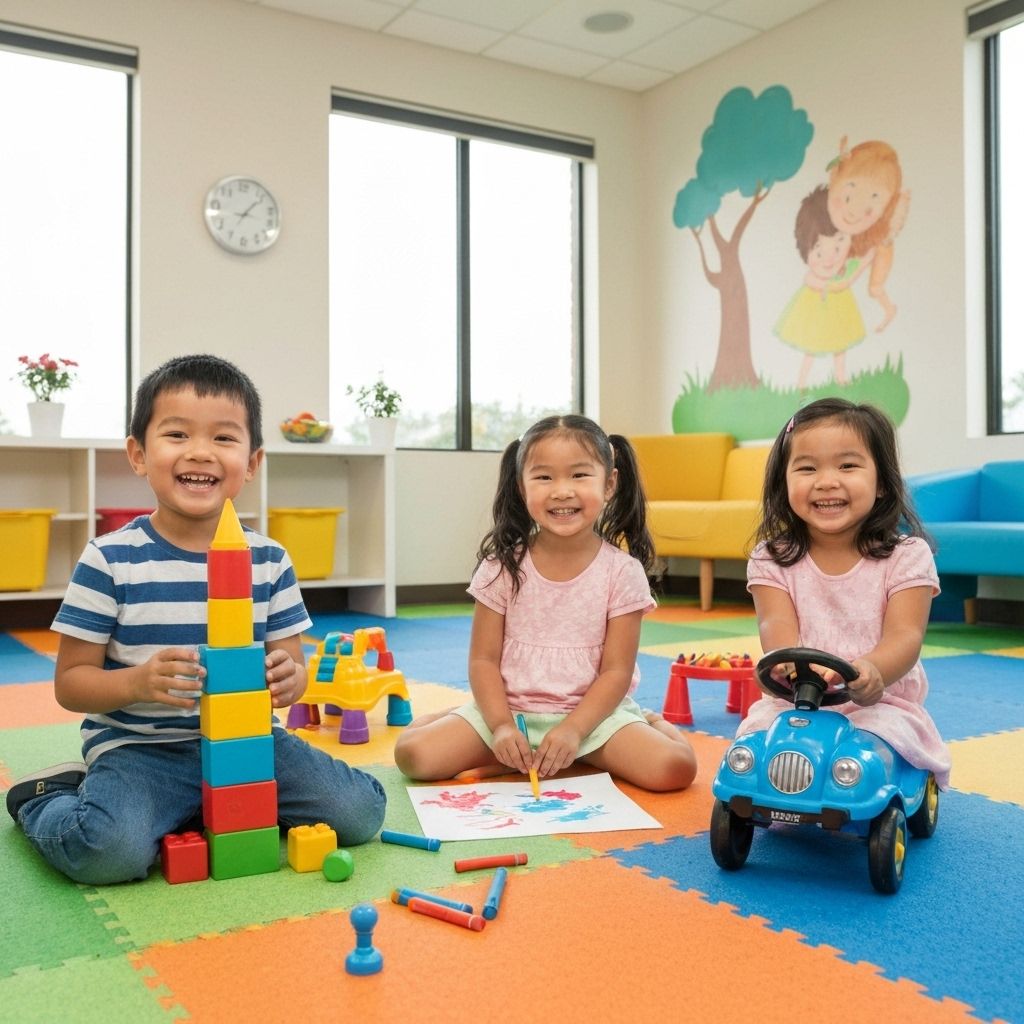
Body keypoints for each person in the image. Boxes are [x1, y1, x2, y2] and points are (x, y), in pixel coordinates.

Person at [5, 354, 386, 884]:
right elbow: (70, 685)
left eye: (224, 439)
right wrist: (137, 681)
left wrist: (289, 679)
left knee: (359, 814)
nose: (201, 452)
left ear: (251, 463)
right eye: (178, 434)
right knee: (105, 854)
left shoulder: (269, 560)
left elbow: (293, 669)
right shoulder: (109, 560)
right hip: (142, 750)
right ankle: (46, 799)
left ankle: (206, 812)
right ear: (139, 454)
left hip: (249, 742)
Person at [394, 415, 696, 793]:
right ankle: (479, 729)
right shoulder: (500, 567)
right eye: (544, 477)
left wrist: (573, 731)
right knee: (413, 755)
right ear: (522, 487)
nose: (561, 491)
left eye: (579, 475)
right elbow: (483, 660)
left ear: (610, 484)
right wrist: (501, 726)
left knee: (675, 768)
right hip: (509, 714)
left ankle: (648, 723)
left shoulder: (623, 572)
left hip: (594, 721)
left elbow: (615, 673)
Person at [741, 397, 951, 787]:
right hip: (796, 699)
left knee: (871, 752)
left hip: (880, 700)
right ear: (783, 482)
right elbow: (775, 623)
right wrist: (787, 668)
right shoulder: (771, 558)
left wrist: (873, 671)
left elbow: (906, 635)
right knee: (752, 745)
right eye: (806, 468)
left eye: (847, 465)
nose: (826, 481)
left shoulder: (907, 557)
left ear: (884, 484)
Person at [774, 185, 868, 389]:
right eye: (819, 252)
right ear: (806, 251)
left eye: (838, 246)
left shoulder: (844, 269)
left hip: (838, 312)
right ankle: (802, 382)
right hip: (816, 314)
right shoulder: (815, 278)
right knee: (811, 348)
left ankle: (841, 377)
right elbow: (824, 283)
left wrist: (870, 256)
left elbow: (858, 266)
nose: (829, 259)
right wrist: (835, 284)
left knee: (841, 346)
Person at [826, 137, 910, 333]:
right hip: (857, 241)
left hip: (879, 246)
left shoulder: (878, 239)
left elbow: (849, 278)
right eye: (848, 197)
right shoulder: (839, 223)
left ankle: (889, 311)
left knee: (875, 289)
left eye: (869, 206)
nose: (853, 212)